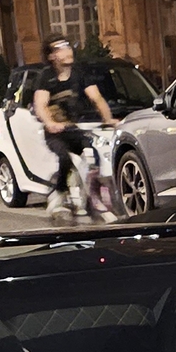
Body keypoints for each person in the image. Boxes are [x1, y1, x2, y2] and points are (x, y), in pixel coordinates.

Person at [28, 35, 115, 222]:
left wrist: (108, 119)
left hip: (75, 128)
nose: (67, 51)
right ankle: (58, 193)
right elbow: (40, 105)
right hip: (56, 133)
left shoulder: (79, 74)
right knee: (63, 157)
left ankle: (93, 194)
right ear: (52, 56)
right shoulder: (46, 77)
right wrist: (50, 123)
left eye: (68, 46)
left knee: (93, 154)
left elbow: (96, 98)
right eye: (60, 48)